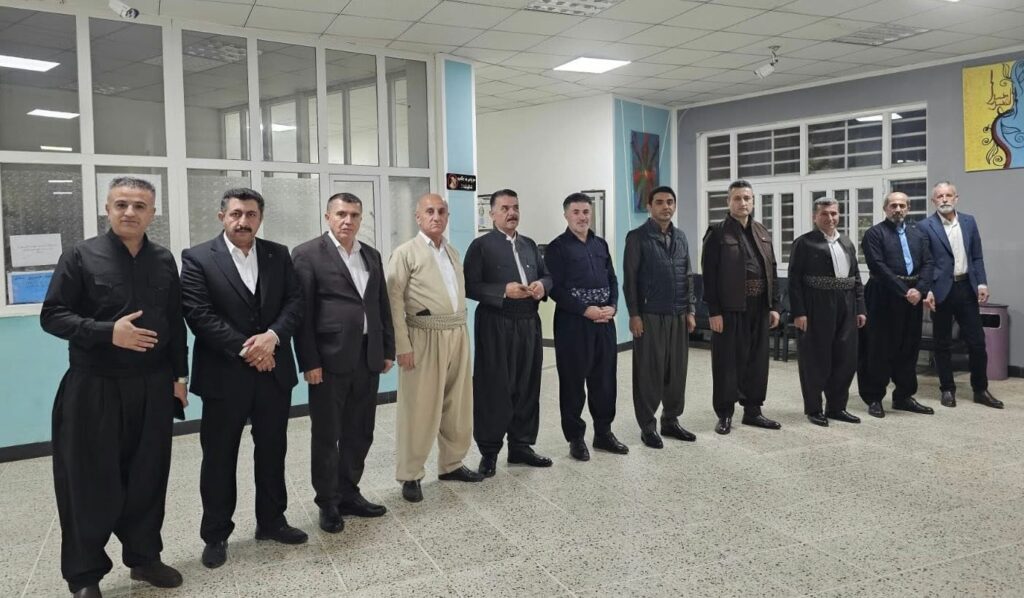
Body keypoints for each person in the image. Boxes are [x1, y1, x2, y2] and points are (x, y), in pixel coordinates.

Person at [41, 177, 187, 597]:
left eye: (139, 206)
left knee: (147, 478)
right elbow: (52, 315)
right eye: (121, 204)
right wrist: (108, 332)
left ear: (152, 213)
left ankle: (144, 558)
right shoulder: (80, 256)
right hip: (95, 386)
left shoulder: (163, 259)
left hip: (153, 386)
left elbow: (175, 322)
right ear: (107, 208)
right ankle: (84, 575)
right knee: (89, 482)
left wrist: (179, 378)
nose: (130, 212)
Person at [180, 188, 306, 570]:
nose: (243, 221)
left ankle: (272, 521)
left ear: (260, 218)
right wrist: (249, 349)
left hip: (274, 373)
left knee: (272, 451)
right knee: (219, 457)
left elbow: (295, 301)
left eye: (251, 214)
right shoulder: (198, 258)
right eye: (236, 213)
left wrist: (273, 337)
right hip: (224, 376)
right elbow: (198, 314)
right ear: (222, 217)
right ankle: (216, 534)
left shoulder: (277, 254)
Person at [292, 193, 395, 534]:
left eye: (354, 215)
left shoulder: (370, 255)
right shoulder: (307, 254)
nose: (348, 220)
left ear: (361, 218)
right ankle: (328, 502)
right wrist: (309, 361)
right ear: (328, 217)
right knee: (327, 435)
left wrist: (388, 348)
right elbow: (302, 314)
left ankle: (349, 492)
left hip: (368, 356)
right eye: (341, 214)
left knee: (360, 431)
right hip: (328, 359)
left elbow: (380, 305)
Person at [387, 193, 482, 503]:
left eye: (441, 211)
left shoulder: (452, 252)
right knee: (419, 407)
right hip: (423, 336)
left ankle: (451, 464)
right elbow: (393, 301)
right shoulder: (405, 253)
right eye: (429, 211)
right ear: (418, 217)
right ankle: (410, 474)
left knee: (458, 403)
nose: (436, 216)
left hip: (457, 332)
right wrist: (402, 344)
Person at [464, 189, 553, 477]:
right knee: (494, 386)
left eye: (515, 207)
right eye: (504, 208)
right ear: (492, 214)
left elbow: (547, 275)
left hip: (528, 321)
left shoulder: (529, 245)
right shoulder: (481, 246)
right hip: (496, 322)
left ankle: (521, 446)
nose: (511, 213)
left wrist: (542, 286)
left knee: (527, 384)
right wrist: (503, 290)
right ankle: (489, 452)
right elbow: (470, 285)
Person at [545, 192, 628, 461]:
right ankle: (576, 439)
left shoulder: (600, 244)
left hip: (604, 322)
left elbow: (612, 279)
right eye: (576, 212)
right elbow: (555, 289)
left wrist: (612, 306)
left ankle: (603, 433)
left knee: (604, 381)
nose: (582, 217)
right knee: (572, 382)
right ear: (566, 215)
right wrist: (584, 310)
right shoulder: (557, 248)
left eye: (586, 212)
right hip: (573, 324)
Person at [701, 180, 782, 435]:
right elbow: (709, 275)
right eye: (737, 198)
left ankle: (753, 411)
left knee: (757, 361)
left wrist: (774, 306)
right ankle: (725, 414)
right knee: (727, 362)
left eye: (747, 198)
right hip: (730, 308)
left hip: (759, 307)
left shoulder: (761, 231)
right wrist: (714, 311)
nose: (742, 203)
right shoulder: (717, 233)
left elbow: (772, 269)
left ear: (753, 201)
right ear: (728, 202)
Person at [623, 185, 697, 448]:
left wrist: (690, 310)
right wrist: (634, 314)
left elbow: (687, 275)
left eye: (670, 202)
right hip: (650, 314)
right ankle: (647, 426)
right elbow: (630, 280)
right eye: (660, 202)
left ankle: (671, 421)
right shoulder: (637, 238)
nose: (666, 206)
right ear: (649, 206)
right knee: (649, 372)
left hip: (678, 313)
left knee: (676, 372)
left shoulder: (681, 237)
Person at [918, 181, 1003, 409]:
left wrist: (982, 283)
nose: (944, 199)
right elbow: (924, 262)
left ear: (956, 198)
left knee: (977, 342)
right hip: (940, 291)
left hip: (966, 287)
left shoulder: (968, 222)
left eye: (948, 195)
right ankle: (947, 389)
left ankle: (980, 389)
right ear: (933, 201)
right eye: (939, 196)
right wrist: (927, 290)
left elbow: (977, 256)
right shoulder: (924, 226)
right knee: (942, 343)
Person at [788, 198, 866, 427]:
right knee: (816, 358)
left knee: (845, 358)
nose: (830, 218)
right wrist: (799, 312)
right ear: (815, 217)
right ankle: (814, 408)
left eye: (834, 213)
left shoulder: (847, 242)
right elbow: (794, 280)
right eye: (824, 214)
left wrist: (860, 308)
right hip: (816, 305)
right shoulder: (804, 243)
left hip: (847, 305)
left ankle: (837, 407)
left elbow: (856, 277)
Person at [857, 192, 935, 418]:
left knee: (908, 348)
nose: (898, 209)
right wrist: (904, 291)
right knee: (878, 348)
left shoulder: (918, 234)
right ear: (885, 209)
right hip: (883, 295)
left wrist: (919, 290)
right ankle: (874, 397)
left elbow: (929, 263)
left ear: (908, 208)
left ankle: (903, 396)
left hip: (913, 297)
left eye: (902, 205)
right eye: (893, 205)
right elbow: (878, 265)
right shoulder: (874, 234)